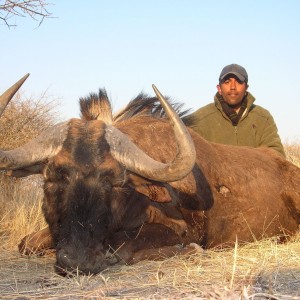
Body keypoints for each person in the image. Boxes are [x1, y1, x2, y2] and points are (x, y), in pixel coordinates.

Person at [186, 63, 285, 157]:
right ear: (219, 88)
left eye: (238, 82)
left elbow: (277, 156)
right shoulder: (199, 119)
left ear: (246, 88)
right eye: (227, 82)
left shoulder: (263, 117)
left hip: (255, 174)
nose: (233, 87)